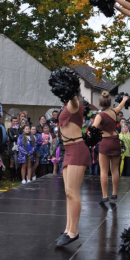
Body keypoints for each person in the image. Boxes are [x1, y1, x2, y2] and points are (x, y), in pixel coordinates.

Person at [55, 93, 91, 246]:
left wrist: (71, 89)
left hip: (76, 149)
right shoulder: (68, 106)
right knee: (68, 193)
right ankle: (68, 229)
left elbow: (74, 101)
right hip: (69, 150)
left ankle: (73, 231)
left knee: (72, 192)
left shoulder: (75, 105)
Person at [92, 91, 129, 202]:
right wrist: (124, 99)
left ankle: (104, 196)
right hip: (115, 141)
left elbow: (93, 127)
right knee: (114, 169)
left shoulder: (100, 115)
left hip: (105, 142)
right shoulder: (114, 112)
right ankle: (114, 193)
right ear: (109, 102)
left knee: (104, 171)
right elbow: (120, 106)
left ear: (100, 103)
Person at [7, 116, 20, 181]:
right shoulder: (10, 129)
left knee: (18, 162)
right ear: (11, 122)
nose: (15, 122)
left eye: (16, 121)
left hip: (19, 146)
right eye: (14, 121)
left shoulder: (19, 129)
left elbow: (20, 137)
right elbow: (12, 138)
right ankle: (12, 177)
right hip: (12, 146)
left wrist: (16, 136)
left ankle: (17, 176)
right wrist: (16, 136)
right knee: (12, 162)